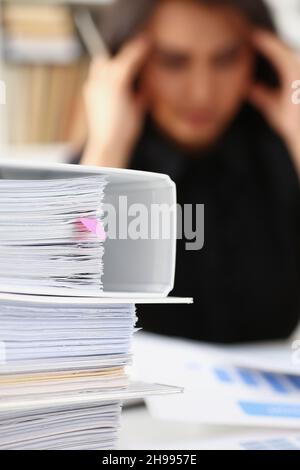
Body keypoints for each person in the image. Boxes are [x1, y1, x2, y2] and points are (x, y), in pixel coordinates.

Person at [77, 0, 300, 343]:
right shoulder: (94, 166)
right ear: (128, 64)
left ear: (261, 56)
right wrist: (108, 147)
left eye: (226, 59)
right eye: (173, 62)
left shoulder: (284, 156)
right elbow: (60, 307)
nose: (202, 93)